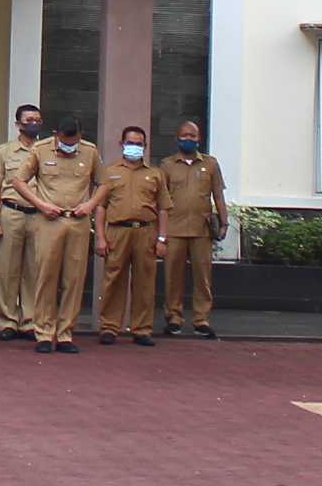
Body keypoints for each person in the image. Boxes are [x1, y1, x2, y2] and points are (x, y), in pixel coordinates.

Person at [13, 112, 105, 354]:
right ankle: (43, 332)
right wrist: (40, 204)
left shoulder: (90, 151)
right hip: (48, 220)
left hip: (78, 221)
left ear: (80, 137)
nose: (69, 146)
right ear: (56, 135)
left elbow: (104, 183)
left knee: (73, 279)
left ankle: (65, 333)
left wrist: (90, 205)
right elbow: (19, 181)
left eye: (73, 142)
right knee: (46, 277)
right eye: (65, 141)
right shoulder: (41, 150)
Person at [94, 125, 162, 346]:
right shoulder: (110, 172)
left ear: (145, 146)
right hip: (117, 231)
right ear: (121, 144)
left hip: (145, 231)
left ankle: (142, 329)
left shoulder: (155, 174)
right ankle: (109, 327)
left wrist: (162, 238)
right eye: (130, 143)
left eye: (139, 144)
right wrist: (101, 237)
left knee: (145, 282)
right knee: (113, 279)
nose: (135, 147)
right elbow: (101, 206)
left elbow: (163, 208)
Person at [158, 121, 226, 338]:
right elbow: (160, 199)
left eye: (193, 136)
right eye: (184, 135)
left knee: (203, 278)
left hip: (201, 229)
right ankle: (174, 318)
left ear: (199, 139)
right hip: (174, 229)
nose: (188, 139)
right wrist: (160, 231)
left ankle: (201, 320)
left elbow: (218, 195)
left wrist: (224, 222)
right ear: (177, 137)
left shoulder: (211, 164)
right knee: (172, 277)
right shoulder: (167, 165)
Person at [0, 104, 43, 340]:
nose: (33, 123)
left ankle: (29, 321)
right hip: (11, 212)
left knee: (33, 270)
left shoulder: (47, 151)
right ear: (18, 124)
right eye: (28, 120)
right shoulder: (4, 152)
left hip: (39, 216)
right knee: (8, 270)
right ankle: (7, 320)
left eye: (37, 119)